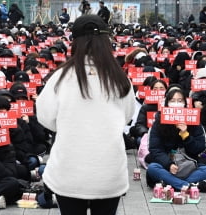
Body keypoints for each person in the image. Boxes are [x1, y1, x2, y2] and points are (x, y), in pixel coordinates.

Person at [36, 15, 135, 215]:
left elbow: (45, 116)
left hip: (69, 170)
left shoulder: (61, 77)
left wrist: (69, 125)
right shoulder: (119, 78)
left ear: (75, 42)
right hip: (109, 171)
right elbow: (127, 116)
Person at [145, 88, 206, 191]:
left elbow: (200, 148)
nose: (176, 104)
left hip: (189, 165)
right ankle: (188, 186)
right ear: (167, 103)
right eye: (172, 101)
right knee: (153, 168)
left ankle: (172, 184)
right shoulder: (159, 123)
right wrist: (168, 164)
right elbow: (155, 149)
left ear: (185, 104)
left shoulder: (194, 121)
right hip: (167, 166)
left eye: (180, 101)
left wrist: (186, 135)